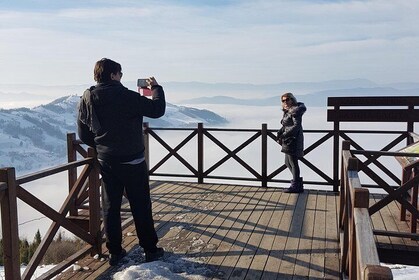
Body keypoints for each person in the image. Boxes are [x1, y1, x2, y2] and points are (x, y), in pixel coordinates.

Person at [77, 58, 166, 265]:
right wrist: (156, 88)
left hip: (107, 162)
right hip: (133, 160)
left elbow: (84, 134)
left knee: (110, 207)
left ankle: (115, 252)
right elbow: (157, 110)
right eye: (120, 73)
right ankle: (150, 249)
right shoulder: (127, 97)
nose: (121, 77)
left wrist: (102, 147)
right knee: (141, 205)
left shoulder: (87, 98)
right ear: (113, 75)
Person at [277, 92, 306, 193]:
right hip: (289, 139)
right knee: (287, 162)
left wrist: (284, 135)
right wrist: (280, 132)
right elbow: (286, 125)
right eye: (283, 100)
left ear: (292, 99)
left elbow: (296, 126)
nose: (285, 102)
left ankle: (296, 185)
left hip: (293, 139)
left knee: (293, 162)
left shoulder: (295, 111)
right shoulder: (288, 111)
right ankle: (297, 182)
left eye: (287, 99)